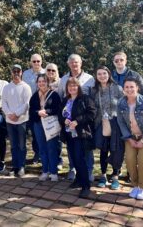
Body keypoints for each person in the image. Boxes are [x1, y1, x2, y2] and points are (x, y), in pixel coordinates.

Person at [117, 77, 143, 200]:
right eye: (127, 87)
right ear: (123, 89)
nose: (129, 89)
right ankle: (135, 185)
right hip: (131, 136)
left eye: (132, 87)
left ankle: (142, 187)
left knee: (142, 160)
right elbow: (121, 123)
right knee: (129, 159)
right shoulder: (121, 103)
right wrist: (129, 139)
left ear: (137, 88)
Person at [58, 54, 95, 182]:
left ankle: (89, 170)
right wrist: (64, 119)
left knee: (86, 148)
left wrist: (79, 120)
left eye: (77, 62)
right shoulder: (63, 79)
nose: (74, 65)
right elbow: (62, 100)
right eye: (72, 62)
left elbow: (92, 102)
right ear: (68, 64)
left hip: (83, 122)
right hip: (69, 124)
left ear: (81, 63)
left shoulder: (90, 79)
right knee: (71, 148)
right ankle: (73, 169)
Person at [59, 77, 96, 198]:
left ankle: (86, 186)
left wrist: (77, 121)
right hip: (69, 134)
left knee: (80, 159)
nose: (72, 88)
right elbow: (60, 115)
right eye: (70, 86)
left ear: (78, 87)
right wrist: (64, 120)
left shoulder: (85, 99)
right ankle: (79, 179)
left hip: (81, 134)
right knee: (74, 159)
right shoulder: (65, 100)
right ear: (67, 88)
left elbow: (92, 113)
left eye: (74, 86)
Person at [90, 66, 124, 190]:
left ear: (109, 74)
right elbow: (92, 108)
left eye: (104, 73)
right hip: (100, 124)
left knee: (115, 150)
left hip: (116, 124)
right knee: (103, 150)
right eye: (99, 74)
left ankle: (115, 176)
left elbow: (123, 106)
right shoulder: (94, 90)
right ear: (96, 76)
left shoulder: (117, 89)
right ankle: (103, 176)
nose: (102, 76)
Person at [29, 74, 61, 181]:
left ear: (47, 82)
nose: (41, 83)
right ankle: (45, 171)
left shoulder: (54, 95)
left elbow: (57, 109)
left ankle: (54, 172)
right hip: (38, 124)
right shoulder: (34, 96)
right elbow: (31, 111)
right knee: (42, 148)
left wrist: (46, 111)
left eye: (43, 81)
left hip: (50, 124)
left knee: (52, 148)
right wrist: (38, 112)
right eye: (39, 81)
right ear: (37, 83)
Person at [2, 64, 32, 177]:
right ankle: (15, 167)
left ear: (21, 72)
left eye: (18, 71)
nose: (16, 73)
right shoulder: (7, 87)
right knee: (13, 145)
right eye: (14, 71)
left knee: (21, 145)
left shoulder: (26, 87)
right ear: (11, 73)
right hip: (10, 121)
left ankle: (22, 167)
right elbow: (3, 102)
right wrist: (9, 114)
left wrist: (17, 114)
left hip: (22, 121)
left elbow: (27, 103)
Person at [23, 54, 45, 164]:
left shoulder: (46, 73)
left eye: (38, 61)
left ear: (41, 61)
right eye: (34, 61)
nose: (36, 63)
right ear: (31, 62)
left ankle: (44, 154)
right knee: (34, 132)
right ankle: (37, 153)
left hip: (44, 107)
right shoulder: (26, 74)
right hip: (30, 107)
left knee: (45, 132)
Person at [46, 63, 63, 170]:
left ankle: (59, 160)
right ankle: (49, 159)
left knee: (58, 139)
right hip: (46, 115)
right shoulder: (43, 82)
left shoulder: (61, 82)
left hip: (58, 114)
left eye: (53, 70)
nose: (51, 72)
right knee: (48, 139)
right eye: (49, 70)